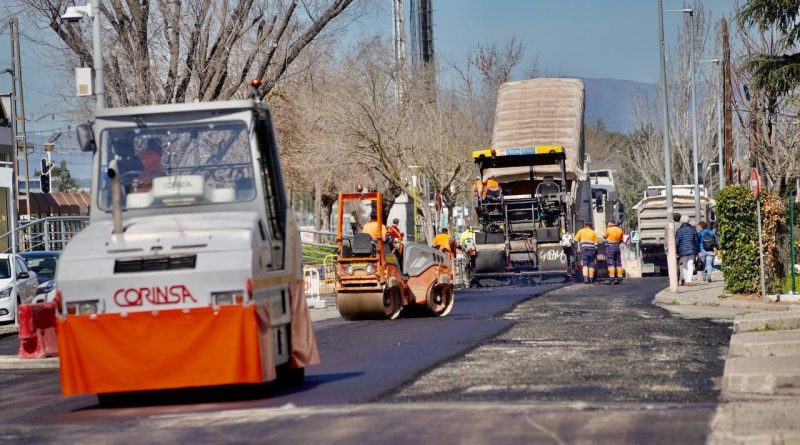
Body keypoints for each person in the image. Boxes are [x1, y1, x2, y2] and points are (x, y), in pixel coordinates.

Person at [676, 214, 699, 286]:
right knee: (691, 264)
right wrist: (697, 250)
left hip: (682, 250)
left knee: (684, 264)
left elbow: (677, 241)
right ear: (688, 221)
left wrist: (676, 250)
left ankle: (686, 280)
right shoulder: (693, 229)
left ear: (681, 221)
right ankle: (689, 280)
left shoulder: (679, 230)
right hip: (692, 249)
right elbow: (696, 240)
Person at [604, 221, 624, 285]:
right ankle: (620, 279)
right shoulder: (620, 230)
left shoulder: (608, 229)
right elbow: (621, 239)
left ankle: (612, 279)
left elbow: (604, 236)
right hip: (617, 248)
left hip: (610, 248)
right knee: (618, 263)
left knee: (611, 262)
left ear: (610, 224)